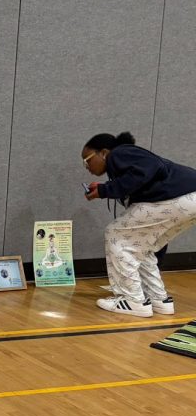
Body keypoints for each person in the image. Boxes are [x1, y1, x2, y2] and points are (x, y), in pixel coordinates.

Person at [83, 131, 196, 316]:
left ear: (103, 153)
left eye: (87, 160)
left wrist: (104, 190)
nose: (86, 166)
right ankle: (158, 299)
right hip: (188, 198)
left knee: (116, 234)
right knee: (140, 245)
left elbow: (152, 167)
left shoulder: (118, 153)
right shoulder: (126, 162)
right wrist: (104, 189)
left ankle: (132, 300)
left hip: (181, 196)